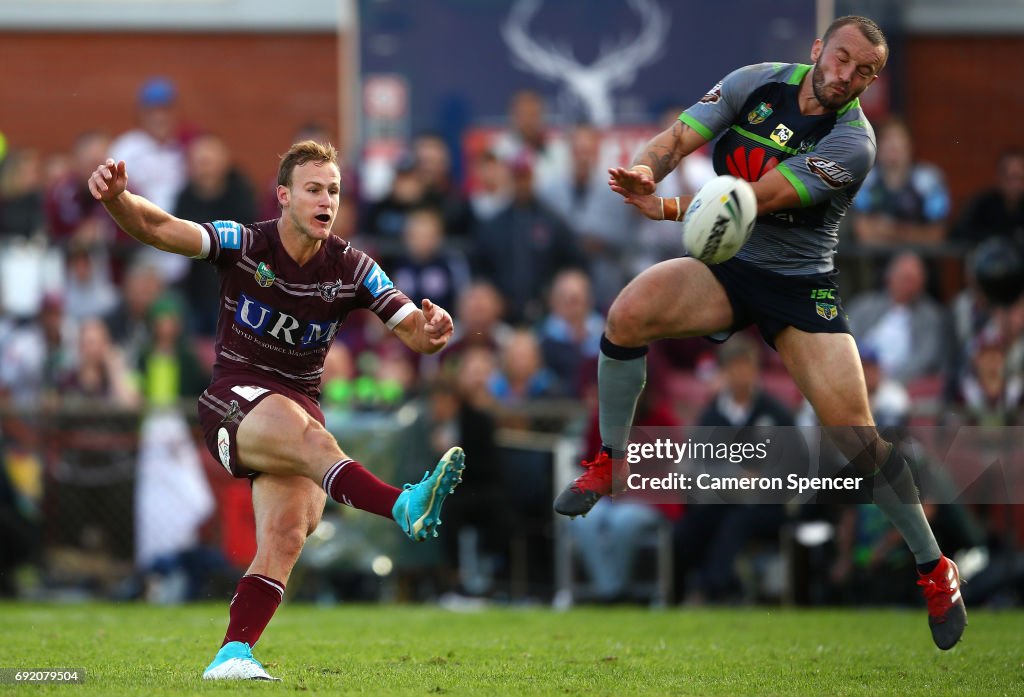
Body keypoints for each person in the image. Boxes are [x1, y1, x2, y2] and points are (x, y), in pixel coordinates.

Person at [551, 15, 966, 650]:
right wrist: (646, 171)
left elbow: (754, 201)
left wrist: (664, 209)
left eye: (864, 72)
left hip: (798, 287)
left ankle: (935, 570)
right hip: (728, 266)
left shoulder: (854, 143)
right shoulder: (756, 82)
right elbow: (679, 135)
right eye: (842, 59)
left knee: (858, 442)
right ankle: (610, 462)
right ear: (818, 50)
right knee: (626, 314)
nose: (846, 76)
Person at [88, 140, 467, 680]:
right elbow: (162, 228)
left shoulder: (354, 267)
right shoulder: (245, 243)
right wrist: (119, 201)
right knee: (314, 442)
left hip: (299, 409)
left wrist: (433, 333)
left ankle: (232, 654)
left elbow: (413, 329)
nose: (326, 200)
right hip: (234, 400)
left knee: (288, 536)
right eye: (314, 189)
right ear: (284, 196)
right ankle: (402, 505)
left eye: (333, 190)